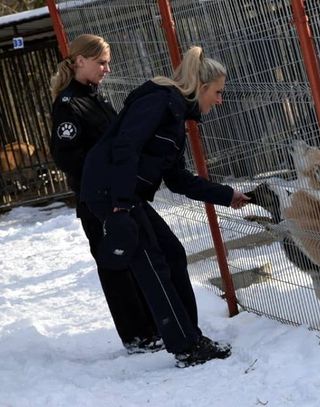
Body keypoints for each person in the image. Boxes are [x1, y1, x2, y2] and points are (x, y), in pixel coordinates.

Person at [79, 45, 250, 367]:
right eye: (217, 92)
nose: (219, 100)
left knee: (171, 253)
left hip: (124, 194)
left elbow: (177, 178)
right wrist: (121, 205)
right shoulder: (160, 102)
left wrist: (226, 195)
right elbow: (125, 146)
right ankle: (186, 347)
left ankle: (190, 335)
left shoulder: (174, 116)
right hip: (112, 193)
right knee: (152, 263)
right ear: (201, 88)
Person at [49, 34, 162, 354]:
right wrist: (105, 181)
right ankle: (137, 335)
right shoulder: (69, 104)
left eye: (107, 62)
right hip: (97, 200)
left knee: (133, 259)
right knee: (115, 265)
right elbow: (67, 157)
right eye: (101, 62)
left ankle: (151, 325)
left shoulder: (94, 97)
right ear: (80, 61)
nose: (106, 69)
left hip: (116, 195)